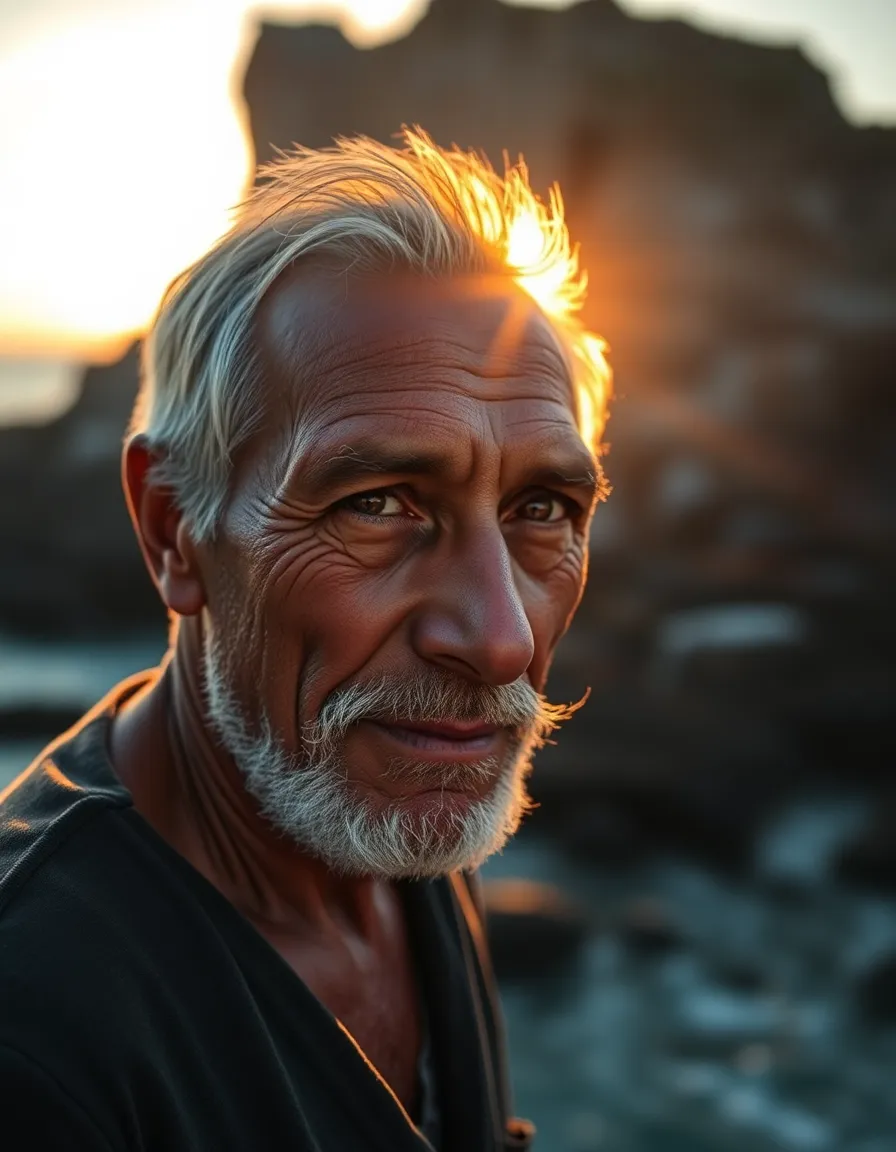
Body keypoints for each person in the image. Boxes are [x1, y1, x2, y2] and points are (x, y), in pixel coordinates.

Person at [0, 128, 610, 1150]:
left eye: (541, 510)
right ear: (172, 529)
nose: (500, 641)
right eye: (377, 503)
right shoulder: (37, 1039)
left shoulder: (397, 809)